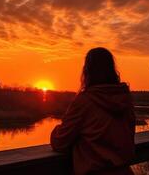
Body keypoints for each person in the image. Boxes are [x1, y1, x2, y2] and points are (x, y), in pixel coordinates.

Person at [50, 47, 135, 175]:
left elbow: (60, 142)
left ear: (87, 71)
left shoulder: (85, 101)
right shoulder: (125, 98)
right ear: (112, 70)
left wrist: (57, 131)